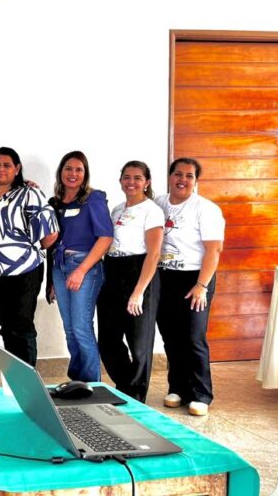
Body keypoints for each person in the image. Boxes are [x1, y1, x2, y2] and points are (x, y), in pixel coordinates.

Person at [0, 147, 58, 368]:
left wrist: (27, 249)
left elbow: (50, 234)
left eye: (7, 165)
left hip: (24, 273)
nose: (1, 169)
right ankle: (15, 378)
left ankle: (28, 380)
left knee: (21, 327)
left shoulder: (29, 193)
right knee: (7, 328)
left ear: (17, 169)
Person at [155, 158, 224, 416]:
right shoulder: (158, 203)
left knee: (193, 337)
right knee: (171, 337)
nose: (182, 180)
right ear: (169, 176)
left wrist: (201, 285)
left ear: (196, 181)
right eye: (178, 174)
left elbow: (214, 249)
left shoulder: (206, 209)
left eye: (189, 176)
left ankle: (201, 394)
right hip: (165, 277)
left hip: (196, 279)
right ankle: (178, 388)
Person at [96, 161, 164, 402]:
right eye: (127, 177)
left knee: (139, 344)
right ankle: (126, 387)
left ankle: (136, 397)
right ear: (120, 180)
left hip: (139, 272)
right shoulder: (116, 209)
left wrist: (138, 292)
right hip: (112, 271)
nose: (131, 182)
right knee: (108, 339)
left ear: (147, 182)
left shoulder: (152, 210)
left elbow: (154, 254)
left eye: (137, 178)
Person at [47, 151, 113, 383]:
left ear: (85, 174)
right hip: (59, 267)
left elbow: (105, 238)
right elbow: (52, 242)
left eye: (79, 169)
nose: (73, 173)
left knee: (81, 328)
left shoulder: (93, 199)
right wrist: (52, 282)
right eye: (68, 168)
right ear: (60, 172)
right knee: (69, 329)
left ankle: (93, 386)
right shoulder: (55, 203)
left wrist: (81, 271)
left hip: (84, 267)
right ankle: (78, 382)